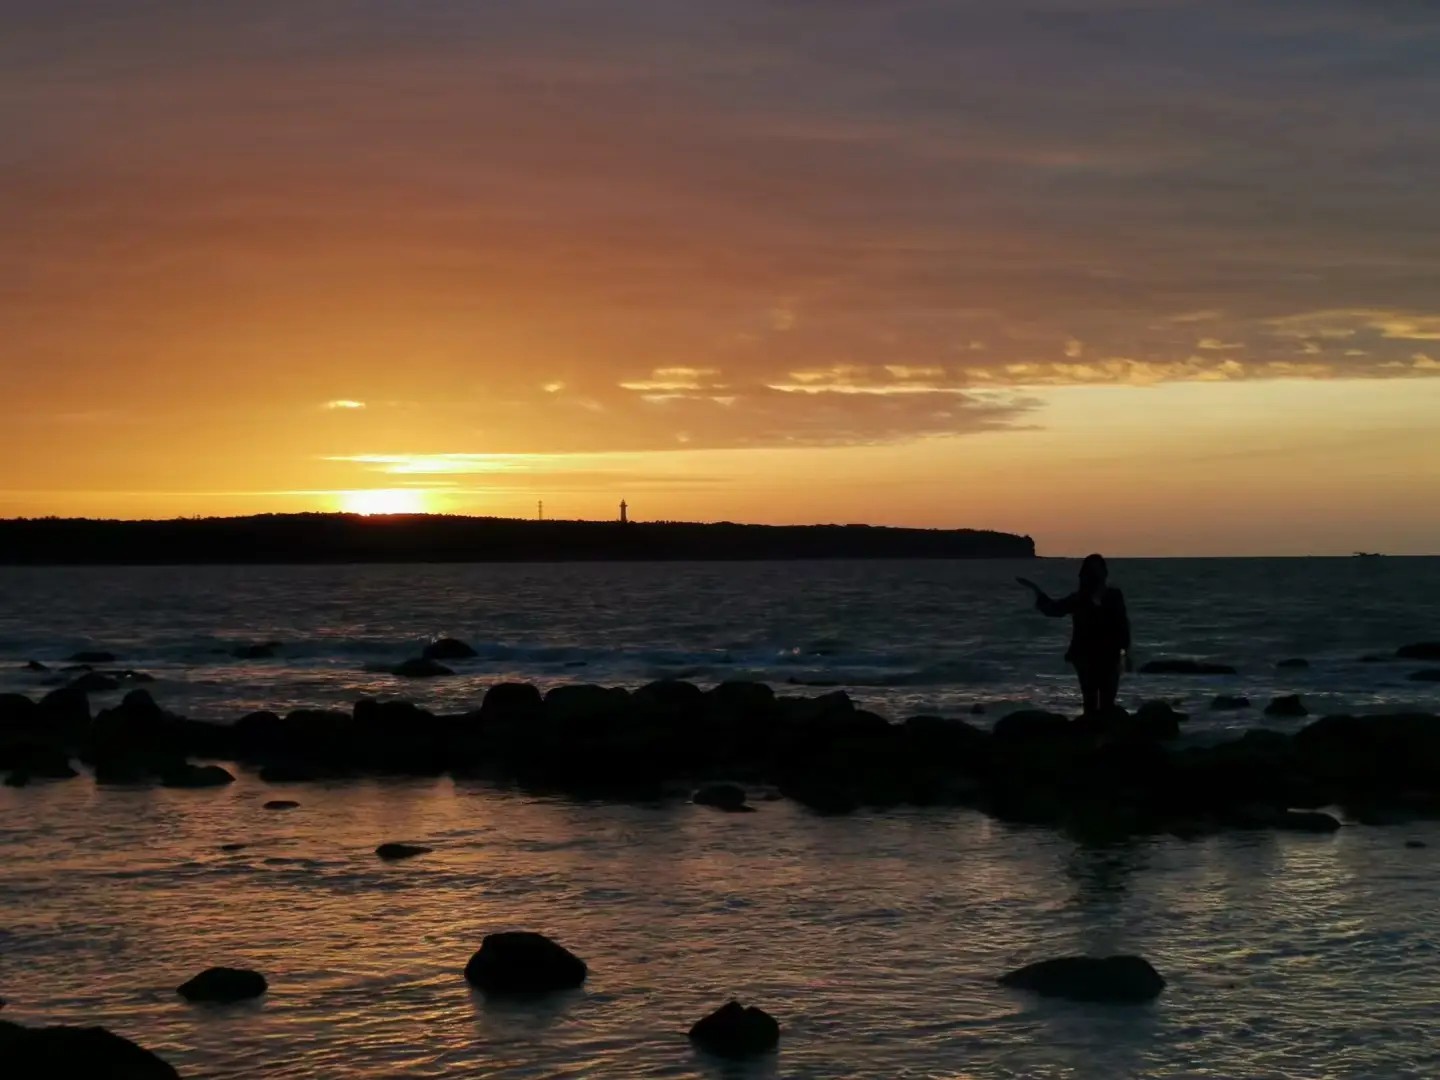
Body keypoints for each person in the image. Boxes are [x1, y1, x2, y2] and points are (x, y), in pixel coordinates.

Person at [1017, 554, 1131, 714]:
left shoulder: (1112, 596)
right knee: (1092, 702)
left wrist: (1125, 652)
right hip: (1086, 656)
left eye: (1097, 571)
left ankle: (1101, 727)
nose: (1095, 576)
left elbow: (1122, 625)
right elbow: (1053, 609)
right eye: (1092, 572)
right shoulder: (1080, 599)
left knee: (1105, 702)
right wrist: (1037, 591)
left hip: (1107, 656)